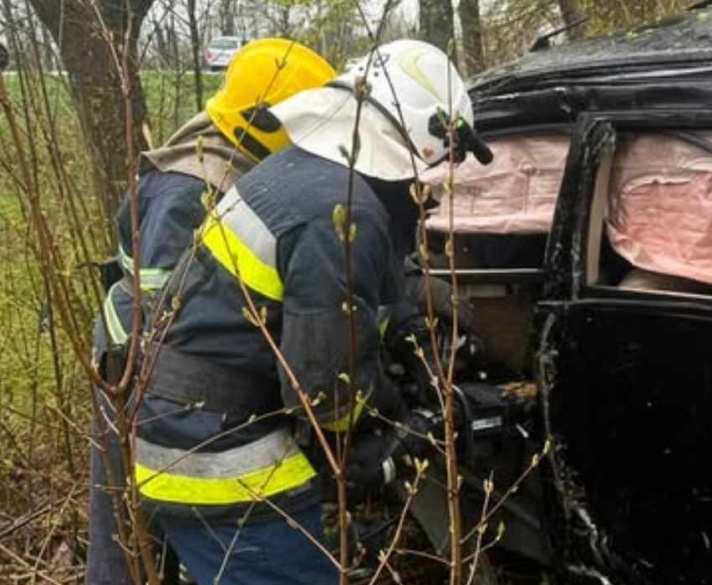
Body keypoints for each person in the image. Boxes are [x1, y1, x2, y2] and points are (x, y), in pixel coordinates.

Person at [134, 40, 489, 585]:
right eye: (442, 163)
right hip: (222, 462)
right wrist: (405, 429)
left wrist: (415, 338)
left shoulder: (306, 176)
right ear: (419, 142)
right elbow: (327, 395)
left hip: (184, 431)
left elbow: (330, 309)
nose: (433, 189)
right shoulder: (341, 212)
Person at [86, 39, 337, 585]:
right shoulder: (191, 186)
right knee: (125, 543)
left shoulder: (236, 165)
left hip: (159, 378)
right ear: (269, 122)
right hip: (132, 375)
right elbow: (167, 318)